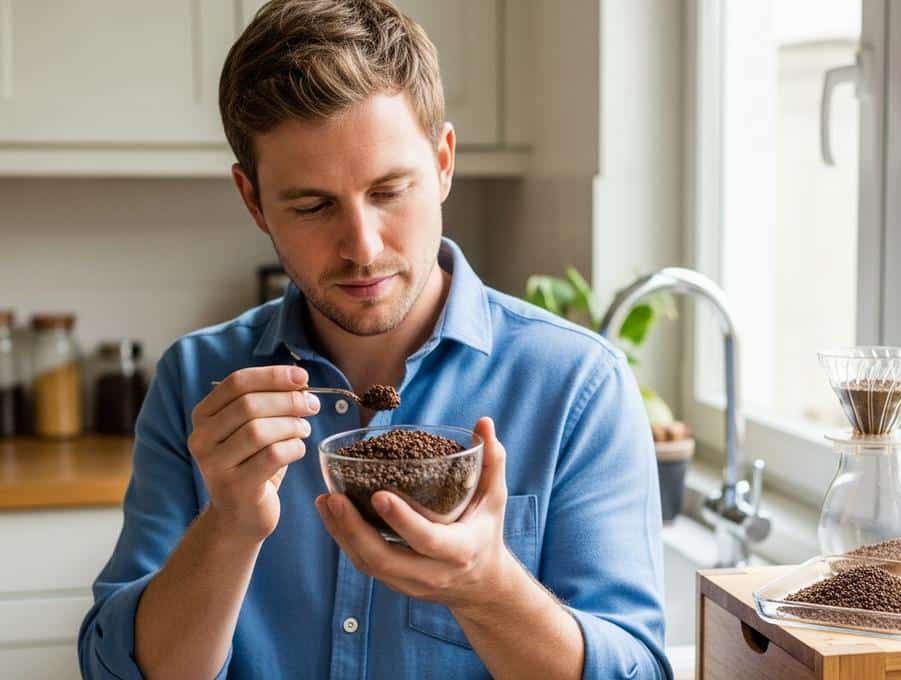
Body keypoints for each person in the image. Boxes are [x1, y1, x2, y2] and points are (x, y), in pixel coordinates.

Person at [78, 1, 670, 677]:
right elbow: (116, 669)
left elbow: (638, 669)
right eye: (311, 206)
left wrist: (485, 586)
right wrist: (230, 526)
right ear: (253, 200)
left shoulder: (576, 385)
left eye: (390, 190)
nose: (362, 248)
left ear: (444, 162)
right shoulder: (198, 383)